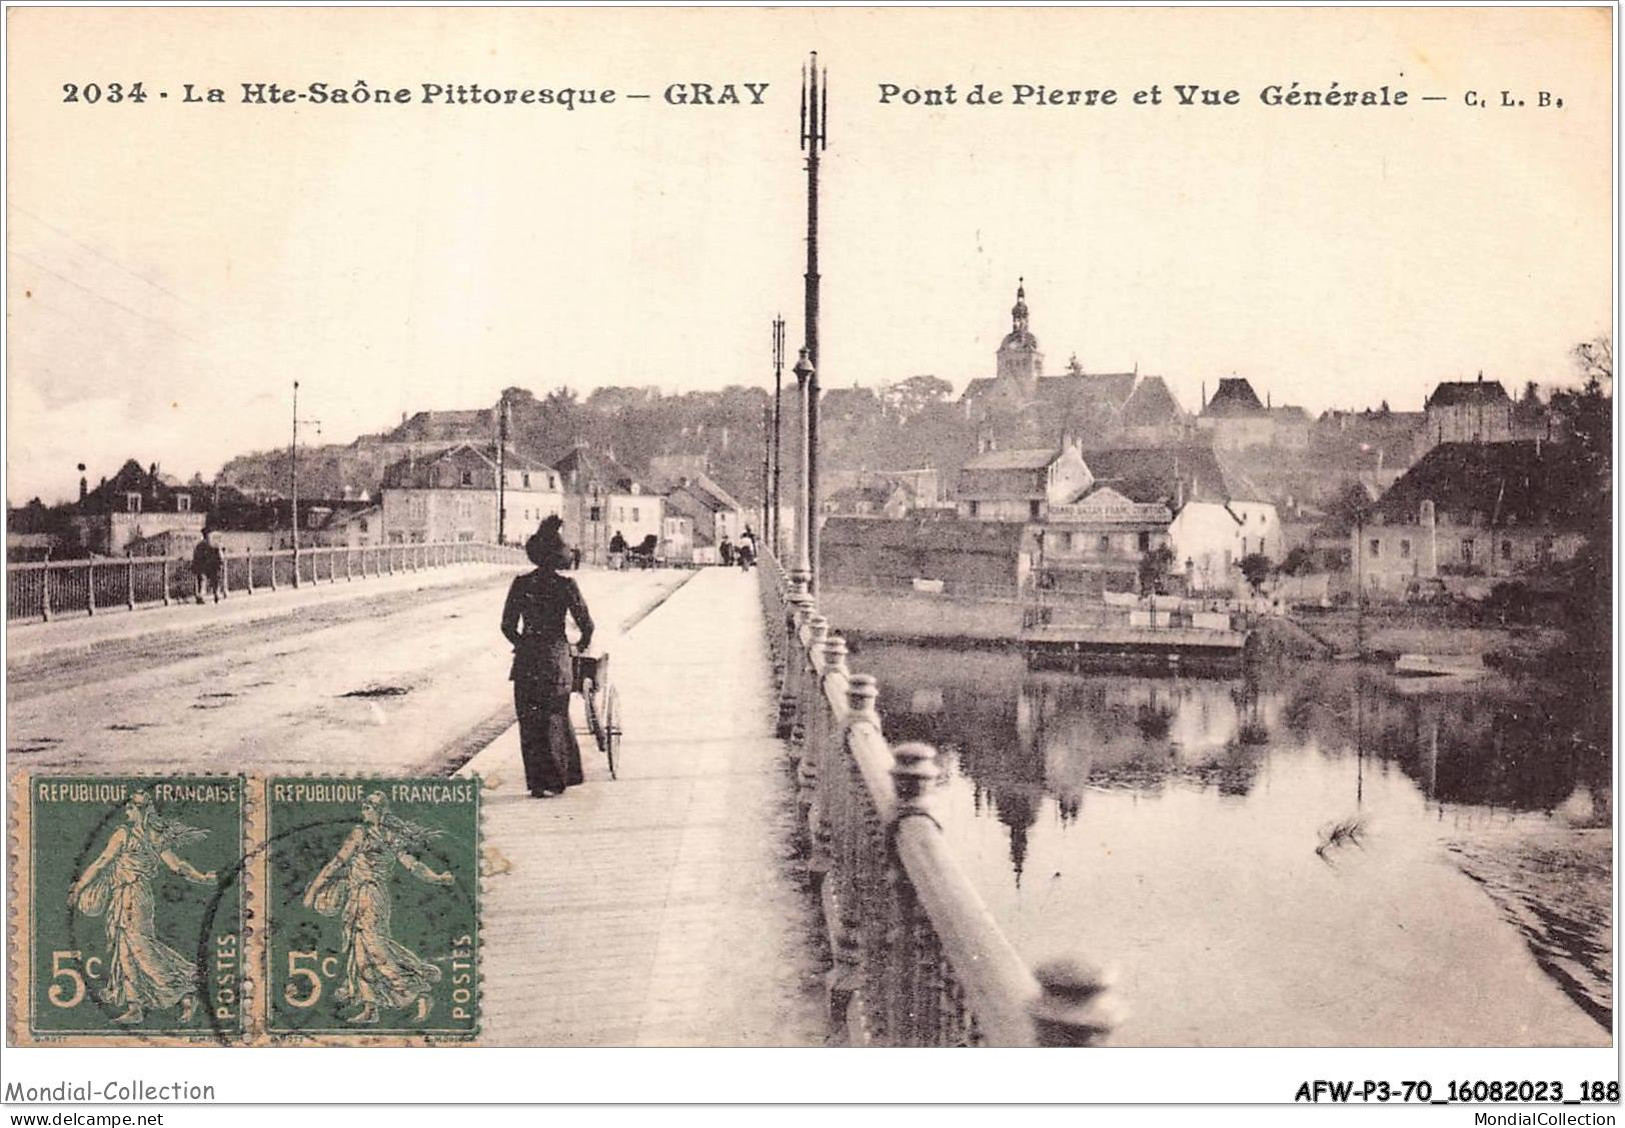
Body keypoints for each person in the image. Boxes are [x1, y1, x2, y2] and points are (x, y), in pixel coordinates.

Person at [302, 791, 455, 1025]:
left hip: (371, 897)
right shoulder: (363, 834)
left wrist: (437, 878)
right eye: (364, 805)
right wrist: (314, 890)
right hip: (358, 896)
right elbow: (338, 863)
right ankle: (370, 1007)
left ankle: (419, 992)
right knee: (360, 951)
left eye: (370, 805)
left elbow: (412, 865)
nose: (365, 808)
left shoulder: (375, 836)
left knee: (376, 949)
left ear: (382, 810)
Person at [67, 790, 217, 1025]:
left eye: (130, 808)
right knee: (126, 949)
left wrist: (78, 888)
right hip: (130, 895)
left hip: (132, 896)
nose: (126, 811)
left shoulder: (124, 834)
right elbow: (178, 866)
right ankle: (135, 1006)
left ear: (140, 810)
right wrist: (202, 877)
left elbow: (102, 862)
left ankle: (184, 988)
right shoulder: (154, 837)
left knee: (140, 947)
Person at [501, 516, 594, 798]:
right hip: (556, 659)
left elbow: (507, 626)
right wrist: (578, 646)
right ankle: (560, 777)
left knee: (529, 721)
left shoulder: (521, 583)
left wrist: (523, 643)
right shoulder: (566, 586)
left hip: (528, 659)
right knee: (556, 716)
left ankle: (537, 783)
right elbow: (587, 625)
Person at [192, 530, 223, 604]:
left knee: (203, 581)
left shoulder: (199, 545)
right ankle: (215, 595)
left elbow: (196, 556)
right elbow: (220, 556)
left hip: (205, 566)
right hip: (211, 566)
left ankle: (202, 596)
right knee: (213, 581)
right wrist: (220, 564)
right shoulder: (213, 544)